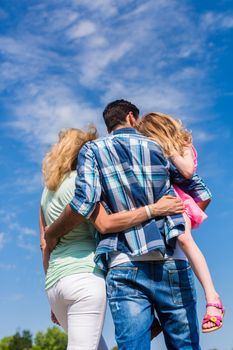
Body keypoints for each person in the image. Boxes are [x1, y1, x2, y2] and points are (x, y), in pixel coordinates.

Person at [44, 100, 212, 350]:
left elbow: (85, 202)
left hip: (124, 262)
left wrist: (52, 232)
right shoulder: (158, 145)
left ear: (109, 124)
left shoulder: (92, 150)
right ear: (132, 118)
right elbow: (201, 192)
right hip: (171, 258)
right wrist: (180, 219)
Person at [137, 112, 224, 333]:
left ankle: (213, 297)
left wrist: (168, 148)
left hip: (182, 201)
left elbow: (186, 171)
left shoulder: (183, 145)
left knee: (185, 239)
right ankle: (152, 315)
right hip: (167, 202)